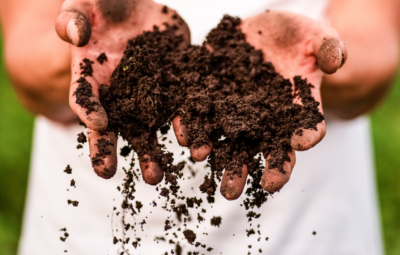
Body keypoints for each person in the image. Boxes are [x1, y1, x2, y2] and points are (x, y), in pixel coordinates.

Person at [0, 0, 398, 254]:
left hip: (313, 235)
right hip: (89, 237)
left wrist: (315, 61)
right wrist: (85, 56)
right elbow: (27, 62)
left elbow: (374, 49)